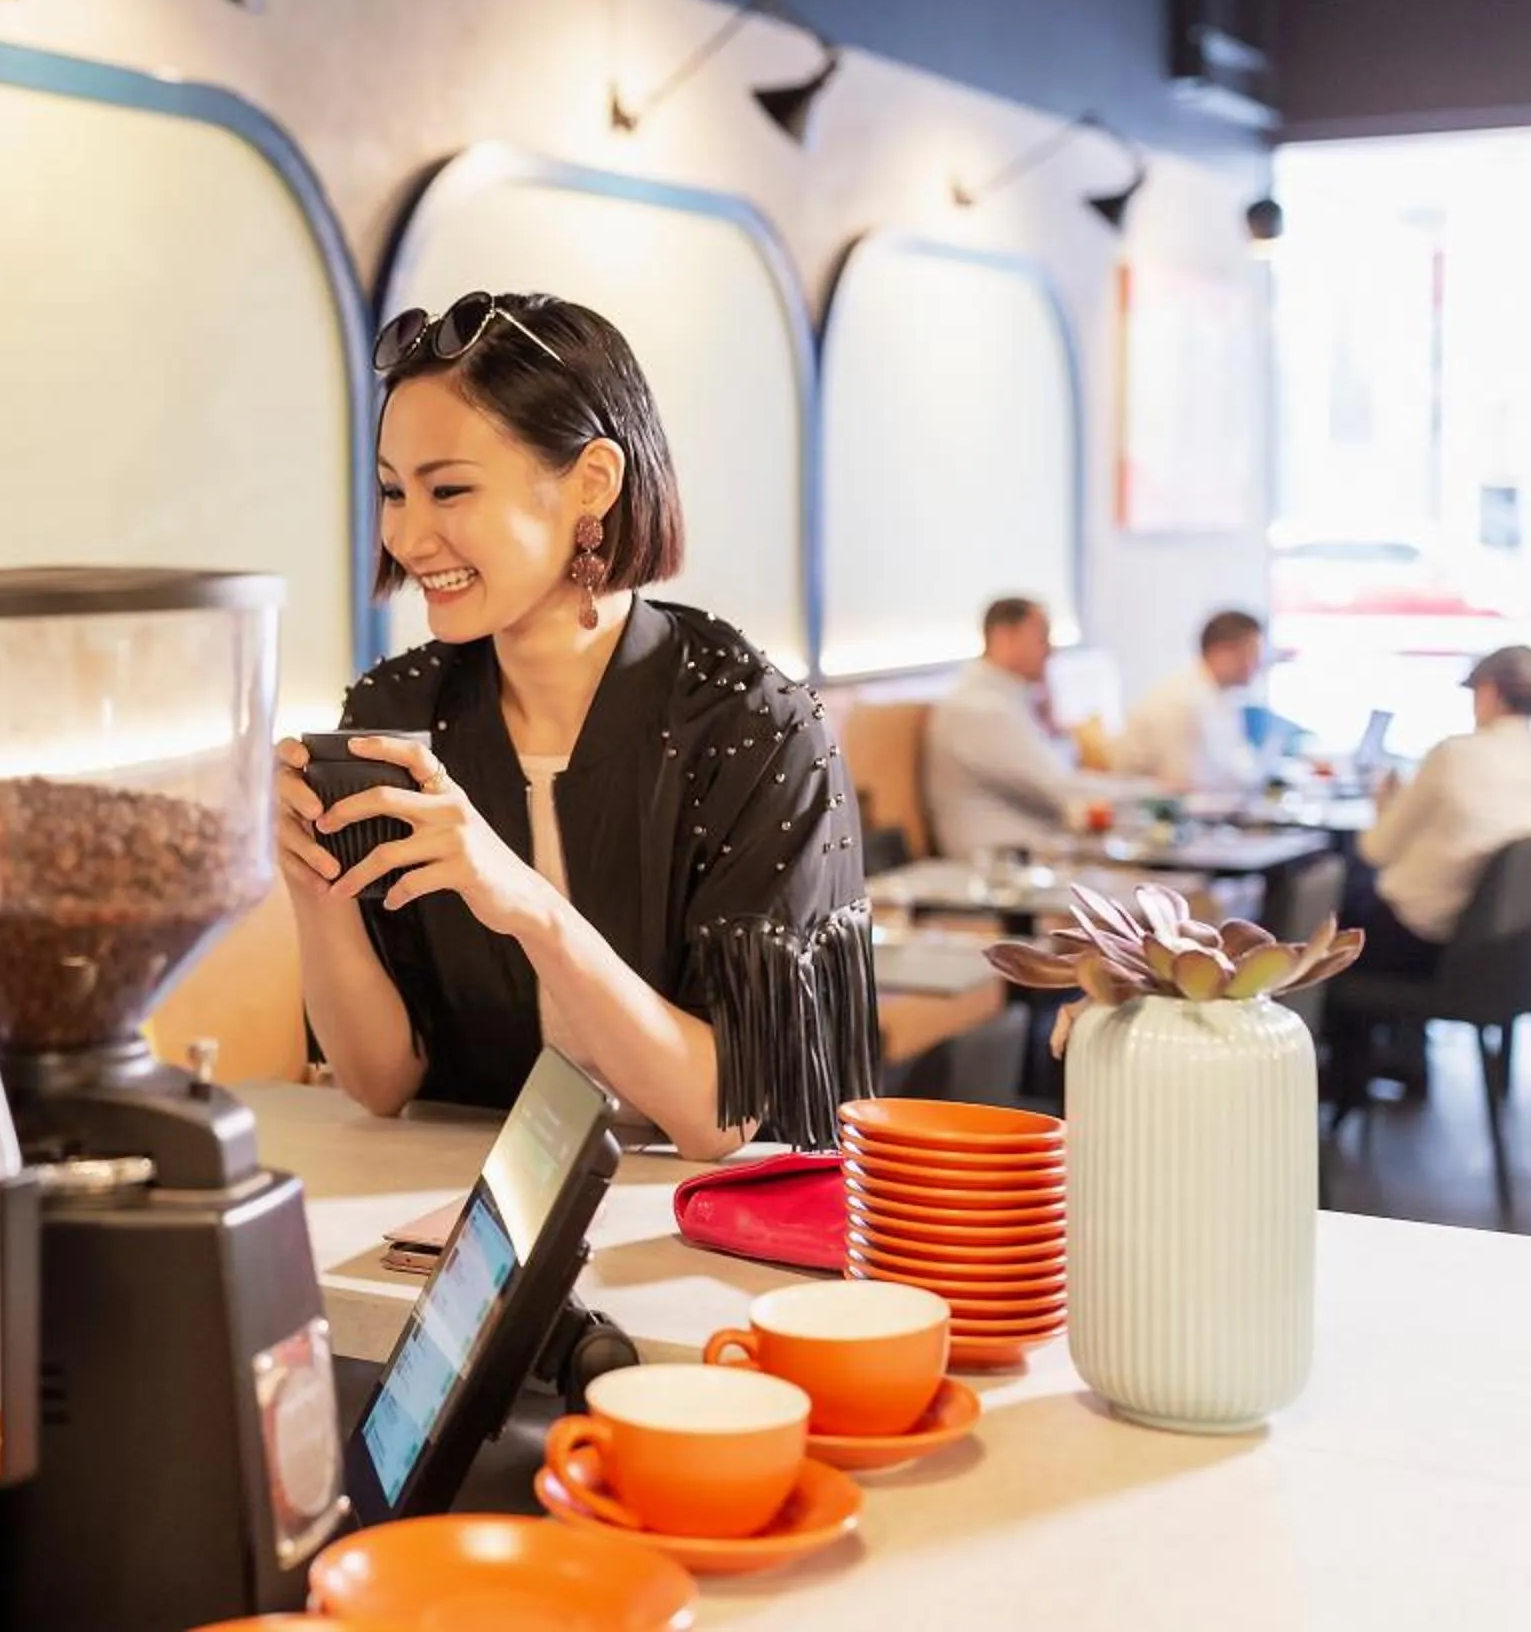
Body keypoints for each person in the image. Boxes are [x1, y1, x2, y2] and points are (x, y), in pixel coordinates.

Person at [275, 292, 876, 1157]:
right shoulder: (397, 713)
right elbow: (380, 1083)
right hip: (487, 1206)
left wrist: (525, 902)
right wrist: (315, 888)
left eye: (449, 490)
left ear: (592, 481)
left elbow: (719, 1116)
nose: (406, 536)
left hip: (709, 1216)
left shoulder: (754, 728)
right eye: (393, 491)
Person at [1345, 645, 1531, 978]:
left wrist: (1385, 808)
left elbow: (1375, 850)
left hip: (1416, 943)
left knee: (1326, 886)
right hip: (1501, 959)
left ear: (1488, 691)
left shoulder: (1453, 757)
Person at [922, 598, 1125, 859]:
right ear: (1004, 637)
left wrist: (1053, 724)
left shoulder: (1011, 701)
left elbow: (1061, 772)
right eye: (1042, 638)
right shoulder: (980, 710)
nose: (1051, 651)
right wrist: (1150, 791)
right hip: (1004, 863)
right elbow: (1060, 789)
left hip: (1030, 853)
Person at [1116, 609, 1269, 795]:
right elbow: (1187, 784)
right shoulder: (1182, 702)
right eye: (1253, 654)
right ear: (1223, 650)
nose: (1259, 665)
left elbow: (1233, 768)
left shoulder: (1221, 697)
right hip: (1151, 806)